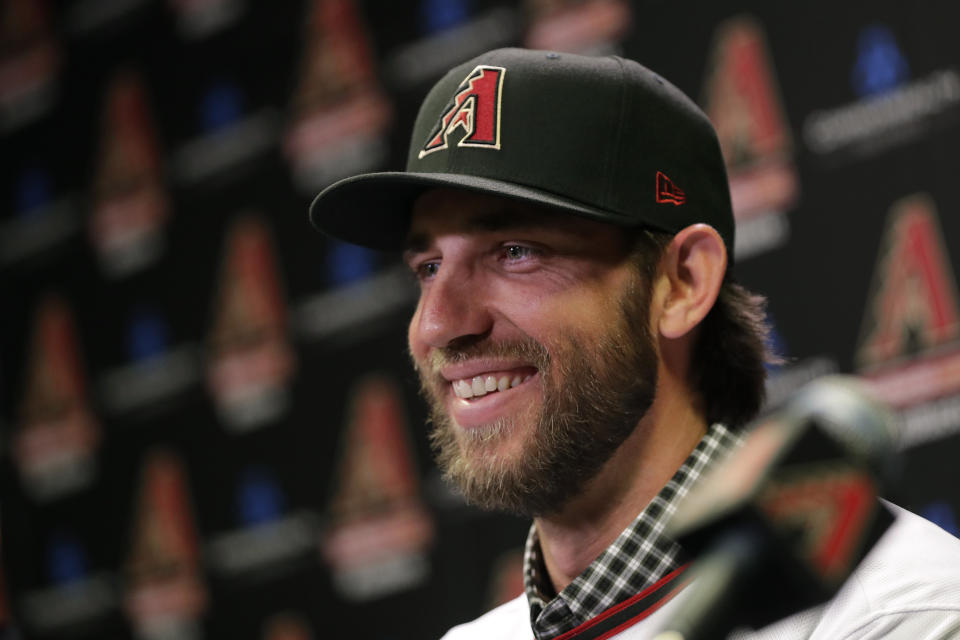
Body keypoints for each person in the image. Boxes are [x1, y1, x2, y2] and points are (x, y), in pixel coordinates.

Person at [309, 48, 960, 639]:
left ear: (681, 282)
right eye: (427, 268)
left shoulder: (902, 615)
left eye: (515, 252)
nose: (438, 325)